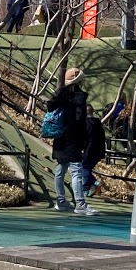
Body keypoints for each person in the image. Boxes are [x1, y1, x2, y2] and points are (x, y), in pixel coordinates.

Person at [48, 66, 94, 215]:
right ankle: (80, 204)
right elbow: (79, 118)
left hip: (60, 135)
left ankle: (60, 201)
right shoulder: (79, 96)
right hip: (73, 137)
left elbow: (50, 107)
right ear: (79, 81)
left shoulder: (60, 93)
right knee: (76, 171)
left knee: (60, 169)